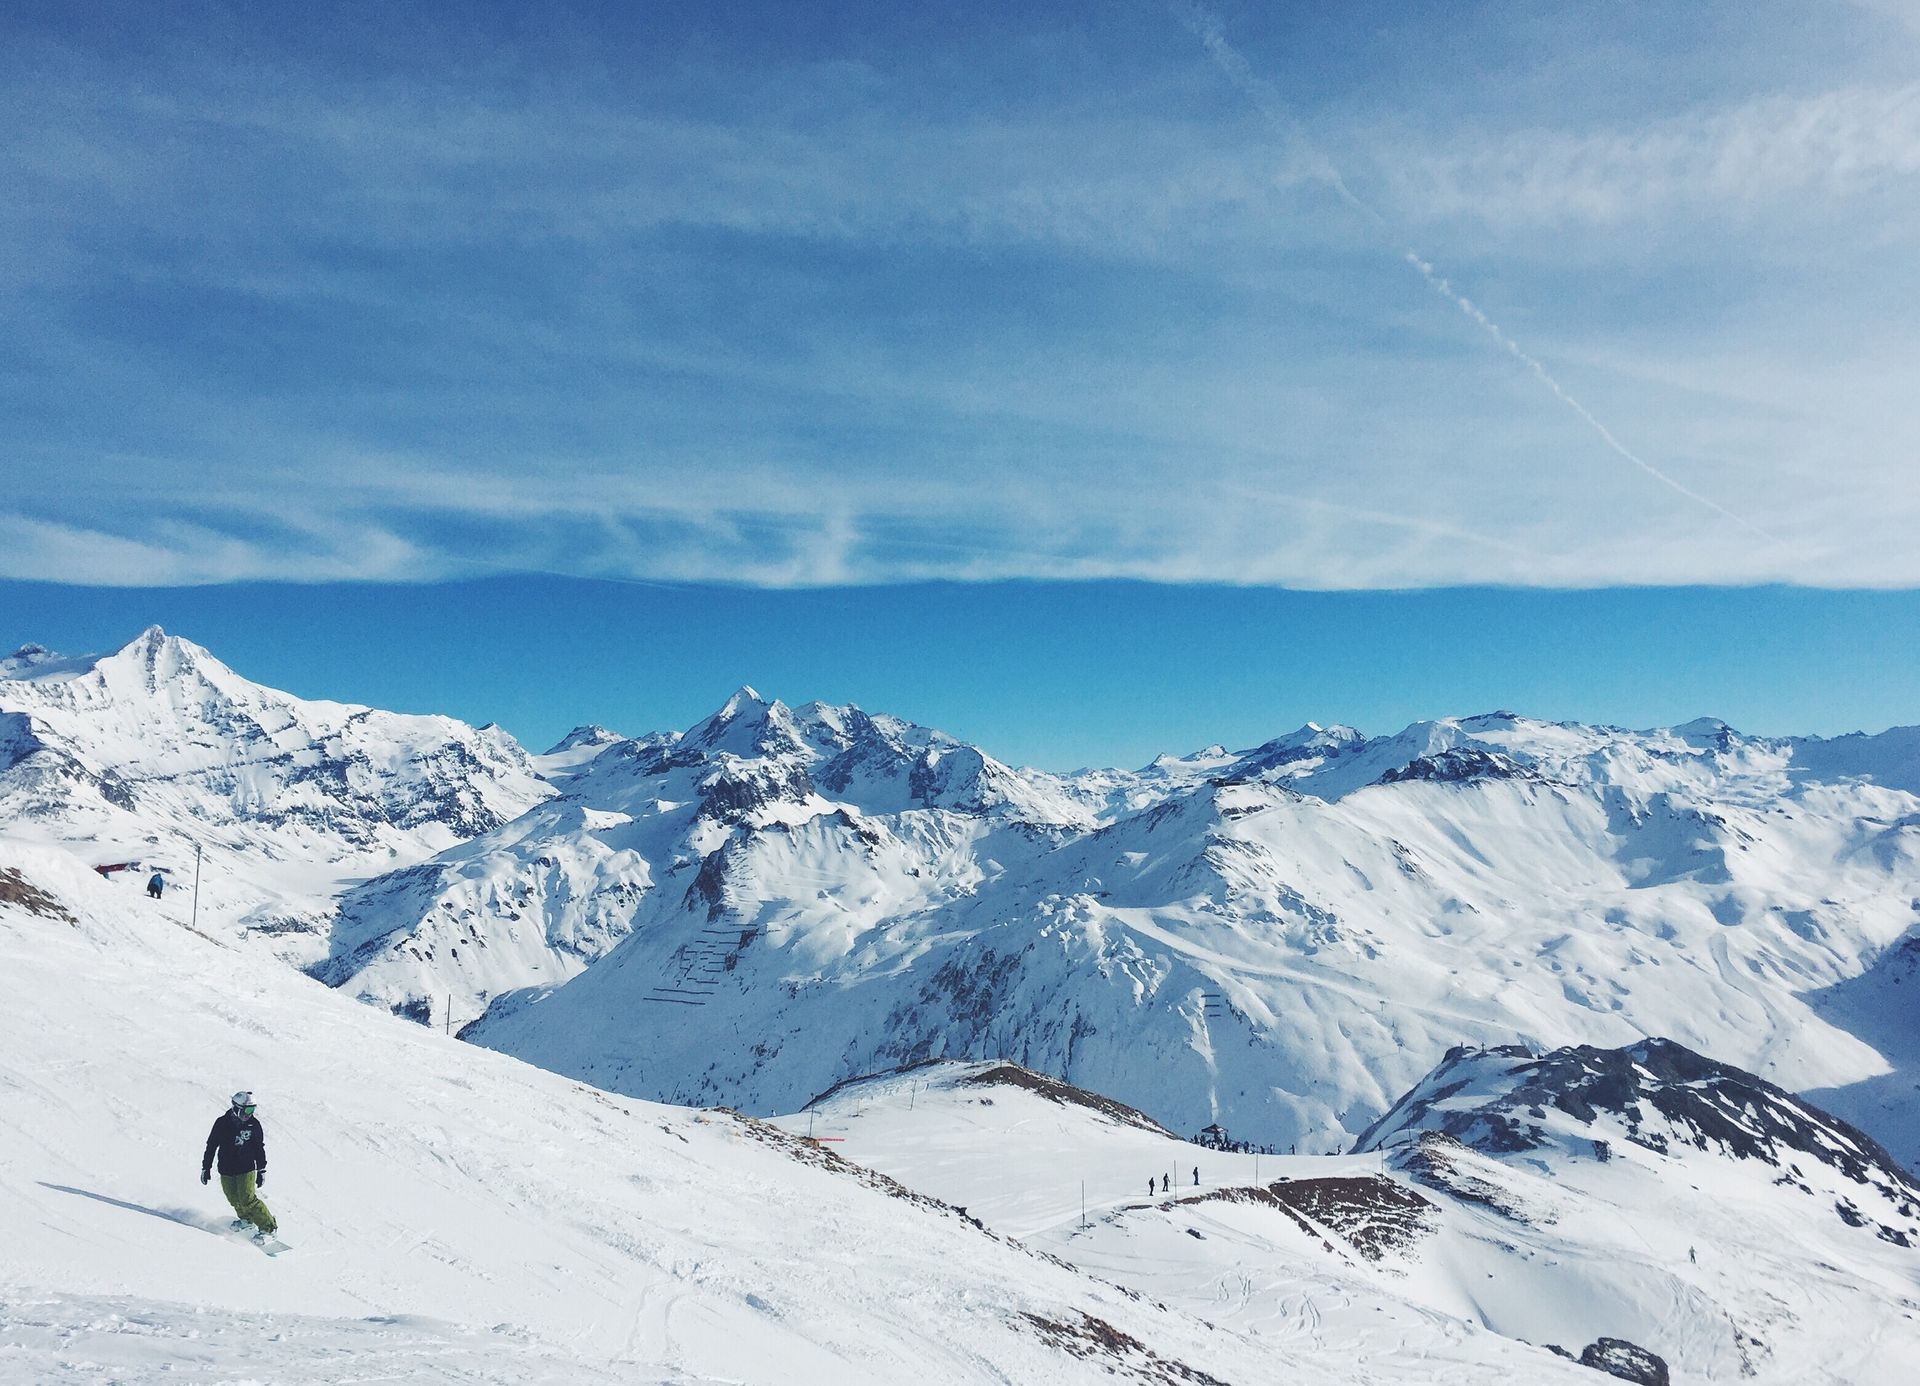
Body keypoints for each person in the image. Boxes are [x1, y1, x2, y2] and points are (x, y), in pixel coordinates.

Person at [201, 1090, 277, 1241]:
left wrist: (262, 1169)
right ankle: (246, 1221)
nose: (249, 1114)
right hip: (226, 1168)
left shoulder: (253, 1125)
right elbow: (211, 1146)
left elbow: (258, 1148)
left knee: (247, 1199)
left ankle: (269, 1228)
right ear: (236, 1108)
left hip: (246, 1168)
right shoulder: (222, 1123)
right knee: (233, 1198)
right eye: (247, 1110)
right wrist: (206, 1167)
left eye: (252, 1110)